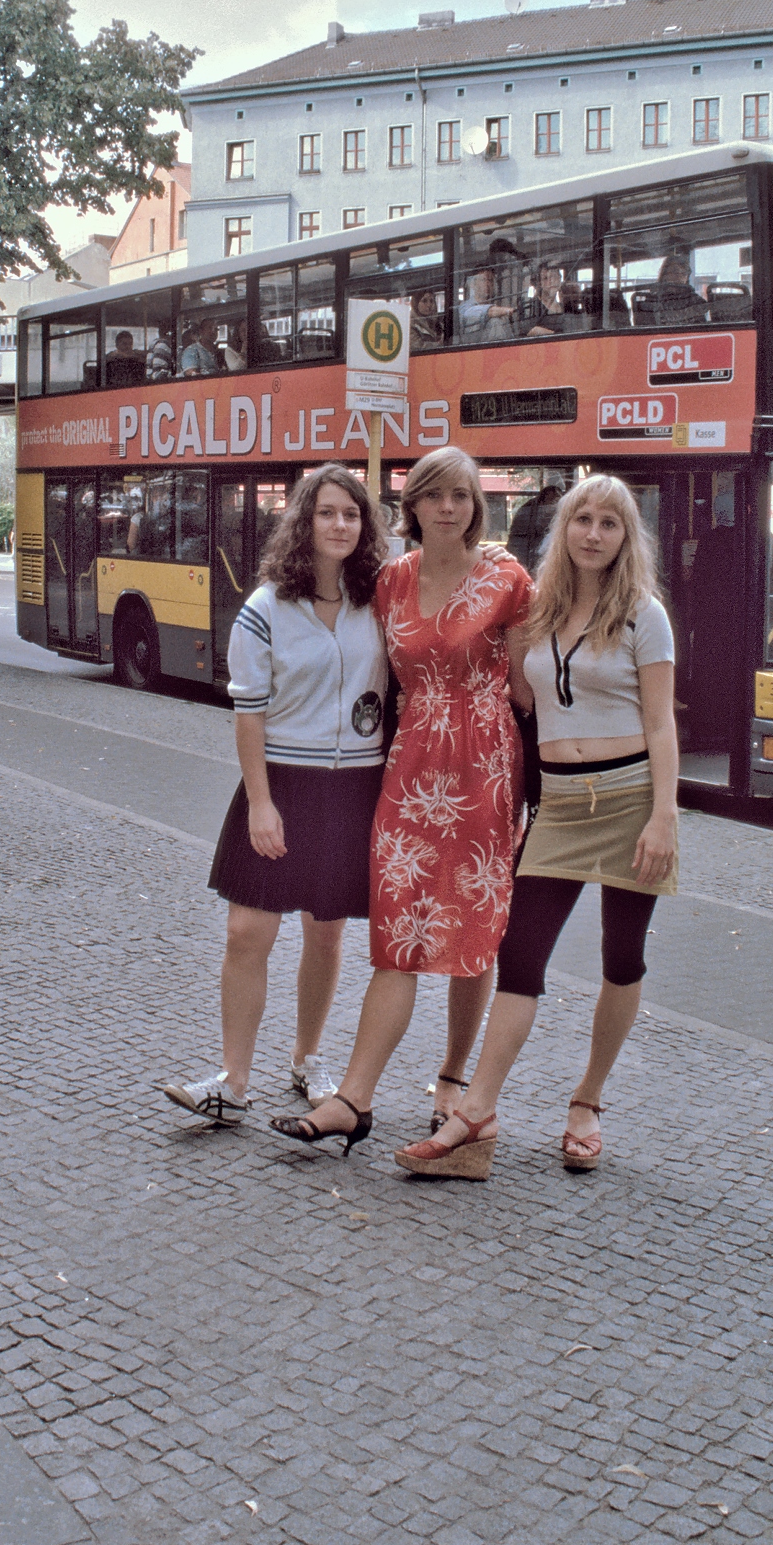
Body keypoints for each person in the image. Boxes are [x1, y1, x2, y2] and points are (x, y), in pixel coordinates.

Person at [395, 473, 678, 1180]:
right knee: (520, 957)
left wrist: (665, 816)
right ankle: (475, 1116)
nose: (592, 533)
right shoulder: (541, 608)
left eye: (609, 524)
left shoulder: (646, 615)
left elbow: (660, 721)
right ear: (563, 528)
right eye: (581, 519)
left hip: (629, 799)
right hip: (557, 804)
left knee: (622, 958)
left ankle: (587, 1102)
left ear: (625, 537)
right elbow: (508, 691)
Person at [269, 446, 532, 1157]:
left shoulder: (508, 579)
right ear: (412, 506)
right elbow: (345, 656)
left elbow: (535, 685)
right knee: (398, 936)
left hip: (483, 769)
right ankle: (355, 1099)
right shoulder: (390, 580)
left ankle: (452, 1080)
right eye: (435, 495)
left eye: (463, 495)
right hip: (409, 767)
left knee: (474, 930)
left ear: (478, 506)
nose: (450, 507)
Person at [161, 466, 390, 1125]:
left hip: (353, 788)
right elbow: (249, 714)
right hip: (282, 781)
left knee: (326, 933)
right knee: (246, 929)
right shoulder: (265, 609)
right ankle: (232, 1082)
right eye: (326, 514)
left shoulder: (379, 600)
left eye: (352, 514)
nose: (340, 525)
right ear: (303, 522)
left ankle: (307, 1059)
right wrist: (261, 802)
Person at [506, 479, 565, 576]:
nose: (554, 507)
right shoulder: (528, 512)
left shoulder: (557, 528)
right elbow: (517, 544)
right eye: (553, 502)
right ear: (542, 502)